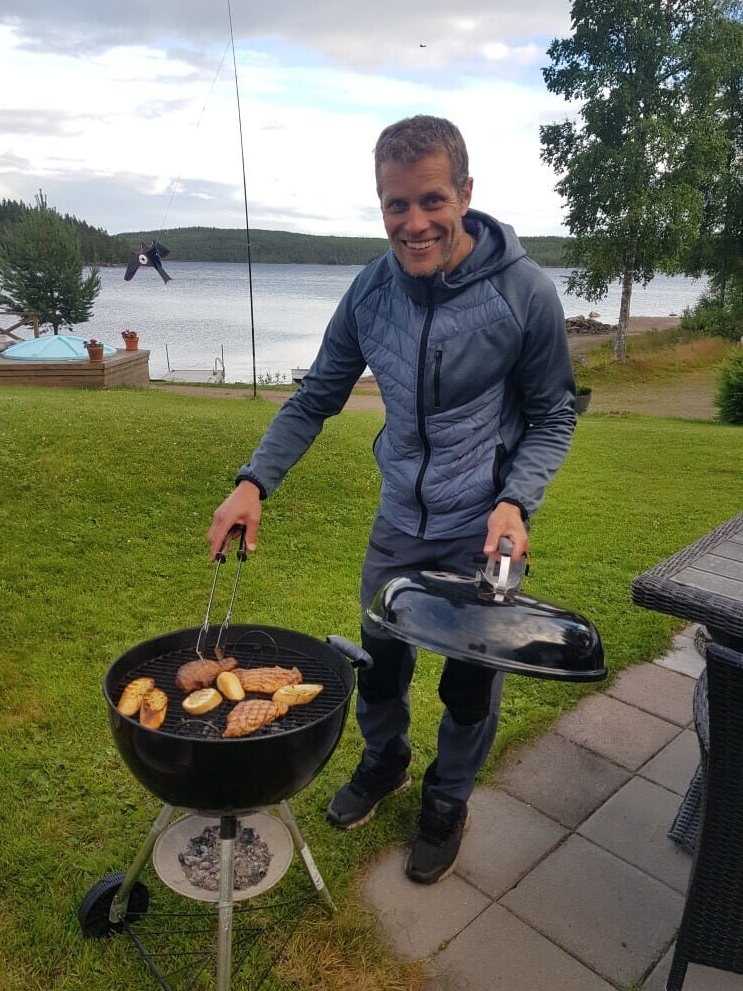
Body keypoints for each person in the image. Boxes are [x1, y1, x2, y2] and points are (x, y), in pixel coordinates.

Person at [207, 115, 576, 884]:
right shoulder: (371, 293)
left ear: (465, 194)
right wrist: (252, 481)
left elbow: (552, 416)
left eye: (431, 200)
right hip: (400, 522)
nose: (414, 224)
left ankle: (446, 798)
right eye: (395, 205)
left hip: (482, 532)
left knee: (469, 684)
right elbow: (315, 397)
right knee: (377, 666)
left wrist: (516, 501)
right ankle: (386, 762)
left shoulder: (525, 293)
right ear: (380, 205)